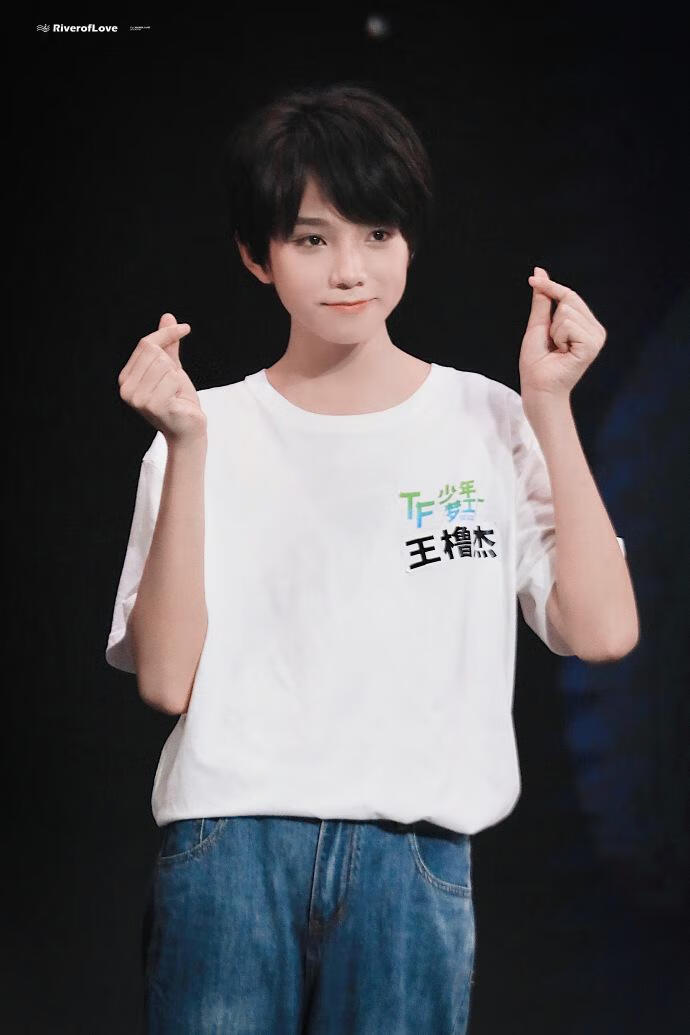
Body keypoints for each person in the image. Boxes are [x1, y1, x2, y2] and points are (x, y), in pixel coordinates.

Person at [106, 81, 626, 1033]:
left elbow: (601, 630)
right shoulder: (205, 426)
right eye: (312, 239)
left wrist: (550, 406)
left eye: (377, 233)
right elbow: (167, 682)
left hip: (413, 858)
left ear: (409, 241)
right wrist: (183, 443)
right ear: (257, 255)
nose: (350, 269)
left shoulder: (487, 418)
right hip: (230, 846)